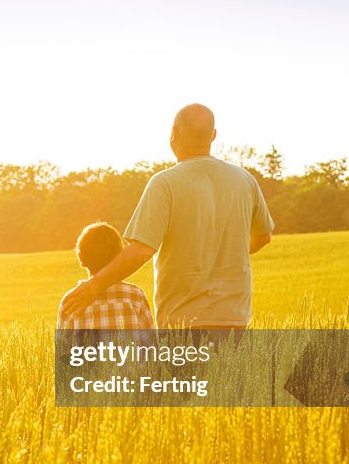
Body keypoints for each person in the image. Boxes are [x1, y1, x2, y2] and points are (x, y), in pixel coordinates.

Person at [61, 103, 274, 331]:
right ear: (213, 135)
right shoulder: (244, 180)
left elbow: (141, 250)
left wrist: (96, 284)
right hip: (236, 318)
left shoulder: (165, 183)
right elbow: (263, 236)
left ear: (174, 134)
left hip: (182, 321)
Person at [56, 222, 154, 332]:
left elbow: (64, 348)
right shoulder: (136, 295)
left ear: (80, 257)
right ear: (120, 255)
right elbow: (150, 345)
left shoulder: (71, 301)